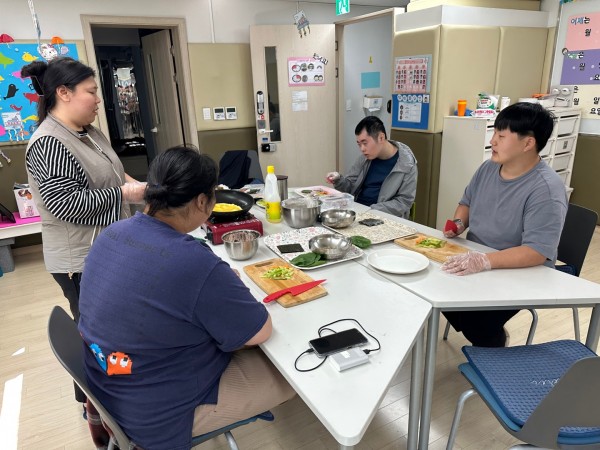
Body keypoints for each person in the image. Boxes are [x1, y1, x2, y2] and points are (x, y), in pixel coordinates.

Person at [78, 146, 295, 449]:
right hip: (155, 413)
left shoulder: (112, 233)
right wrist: (220, 287)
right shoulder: (193, 261)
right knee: (295, 370)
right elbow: (260, 331)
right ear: (203, 201)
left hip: (109, 382)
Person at [21, 57, 146, 406]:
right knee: (98, 333)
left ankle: (117, 389)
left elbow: (114, 174)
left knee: (116, 325)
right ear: (63, 92)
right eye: (91, 91)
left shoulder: (88, 132)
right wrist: (127, 194)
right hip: (80, 260)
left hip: (108, 248)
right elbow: (68, 205)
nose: (97, 100)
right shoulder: (49, 142)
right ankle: (99, 402)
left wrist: (145, 190)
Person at [441, 102, 568, 347]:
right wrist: (458, 223)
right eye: (494, 133)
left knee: (478, 321)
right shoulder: (488, 168)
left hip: (523, 271)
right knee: (437, 287)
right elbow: (466, 203)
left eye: (501, 135)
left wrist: (486, 261)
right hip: (479, 256)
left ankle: (496, 346)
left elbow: (537, 251)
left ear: (528, 143)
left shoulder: (546, 189)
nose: (493, 140)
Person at [325, 116, 417, 218]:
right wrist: (338, 179)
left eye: (365, 143)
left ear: (381, 138)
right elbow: (350, 187)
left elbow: (403, 202)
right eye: (359, 144)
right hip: (358, 212)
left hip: (382, 218)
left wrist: (371, 210)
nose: (362, 149)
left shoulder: (406, 164)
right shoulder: (365, 158)